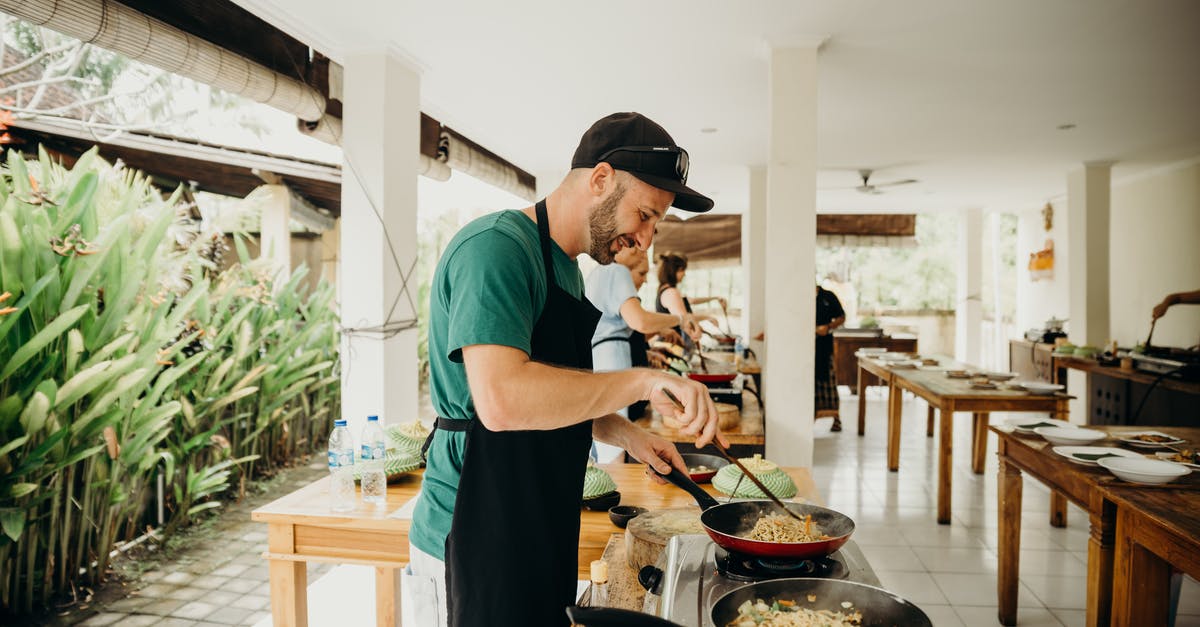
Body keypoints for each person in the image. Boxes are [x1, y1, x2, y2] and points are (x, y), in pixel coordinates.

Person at [408, 112, 727, 627]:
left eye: (655, 224)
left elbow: (556, 393)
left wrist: (629, 435)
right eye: (645, 215)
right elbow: (503, 400)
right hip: (473, 531)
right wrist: (646, 379)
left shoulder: (567, 269)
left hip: (542, 519)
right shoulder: (496, 250)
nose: (645, 241)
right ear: (600, 180)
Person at [586, 248, 699, 462]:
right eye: (634, 244)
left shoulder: (597, 272)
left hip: (599, 355)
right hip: (613, 356)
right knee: (616, 443)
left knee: (606, 439)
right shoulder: (617, 270)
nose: (641, 248)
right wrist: (680, 319)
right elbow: (640, 321)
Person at [654, 252, 726, 348]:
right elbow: (685, 319)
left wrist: (715, 298)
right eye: (682, 270)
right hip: (672, 344)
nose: (684, 274)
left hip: (672, 343)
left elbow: (692, 301)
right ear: (673, 271)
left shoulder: (666, 289)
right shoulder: (671, 292)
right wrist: (708, 317)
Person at [815, 284, 846, 431]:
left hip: (825, 347)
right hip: (806, 348)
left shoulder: (828, 296)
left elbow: (841, 317)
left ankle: (836, 418)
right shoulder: (800, 297)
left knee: (829, 382)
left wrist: (827, 327)